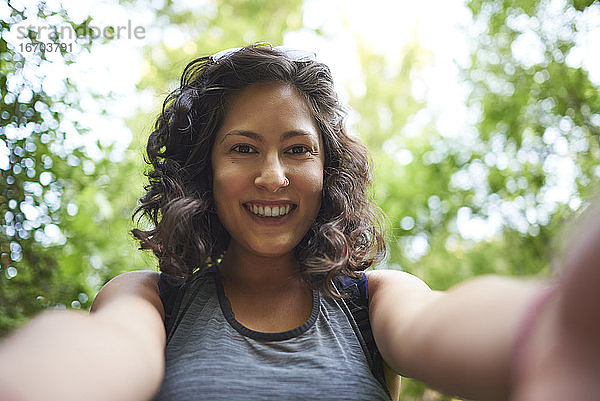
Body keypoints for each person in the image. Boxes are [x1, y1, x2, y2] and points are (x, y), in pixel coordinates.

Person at [0, 43, 599, 401]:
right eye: (242, 148)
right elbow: (104, 352)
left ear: (327, 170)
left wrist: (550, 332)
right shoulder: (152, 298)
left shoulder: (375, 299)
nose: (273, 176)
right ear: (202, 171)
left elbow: (437, 323)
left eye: (298, 149)